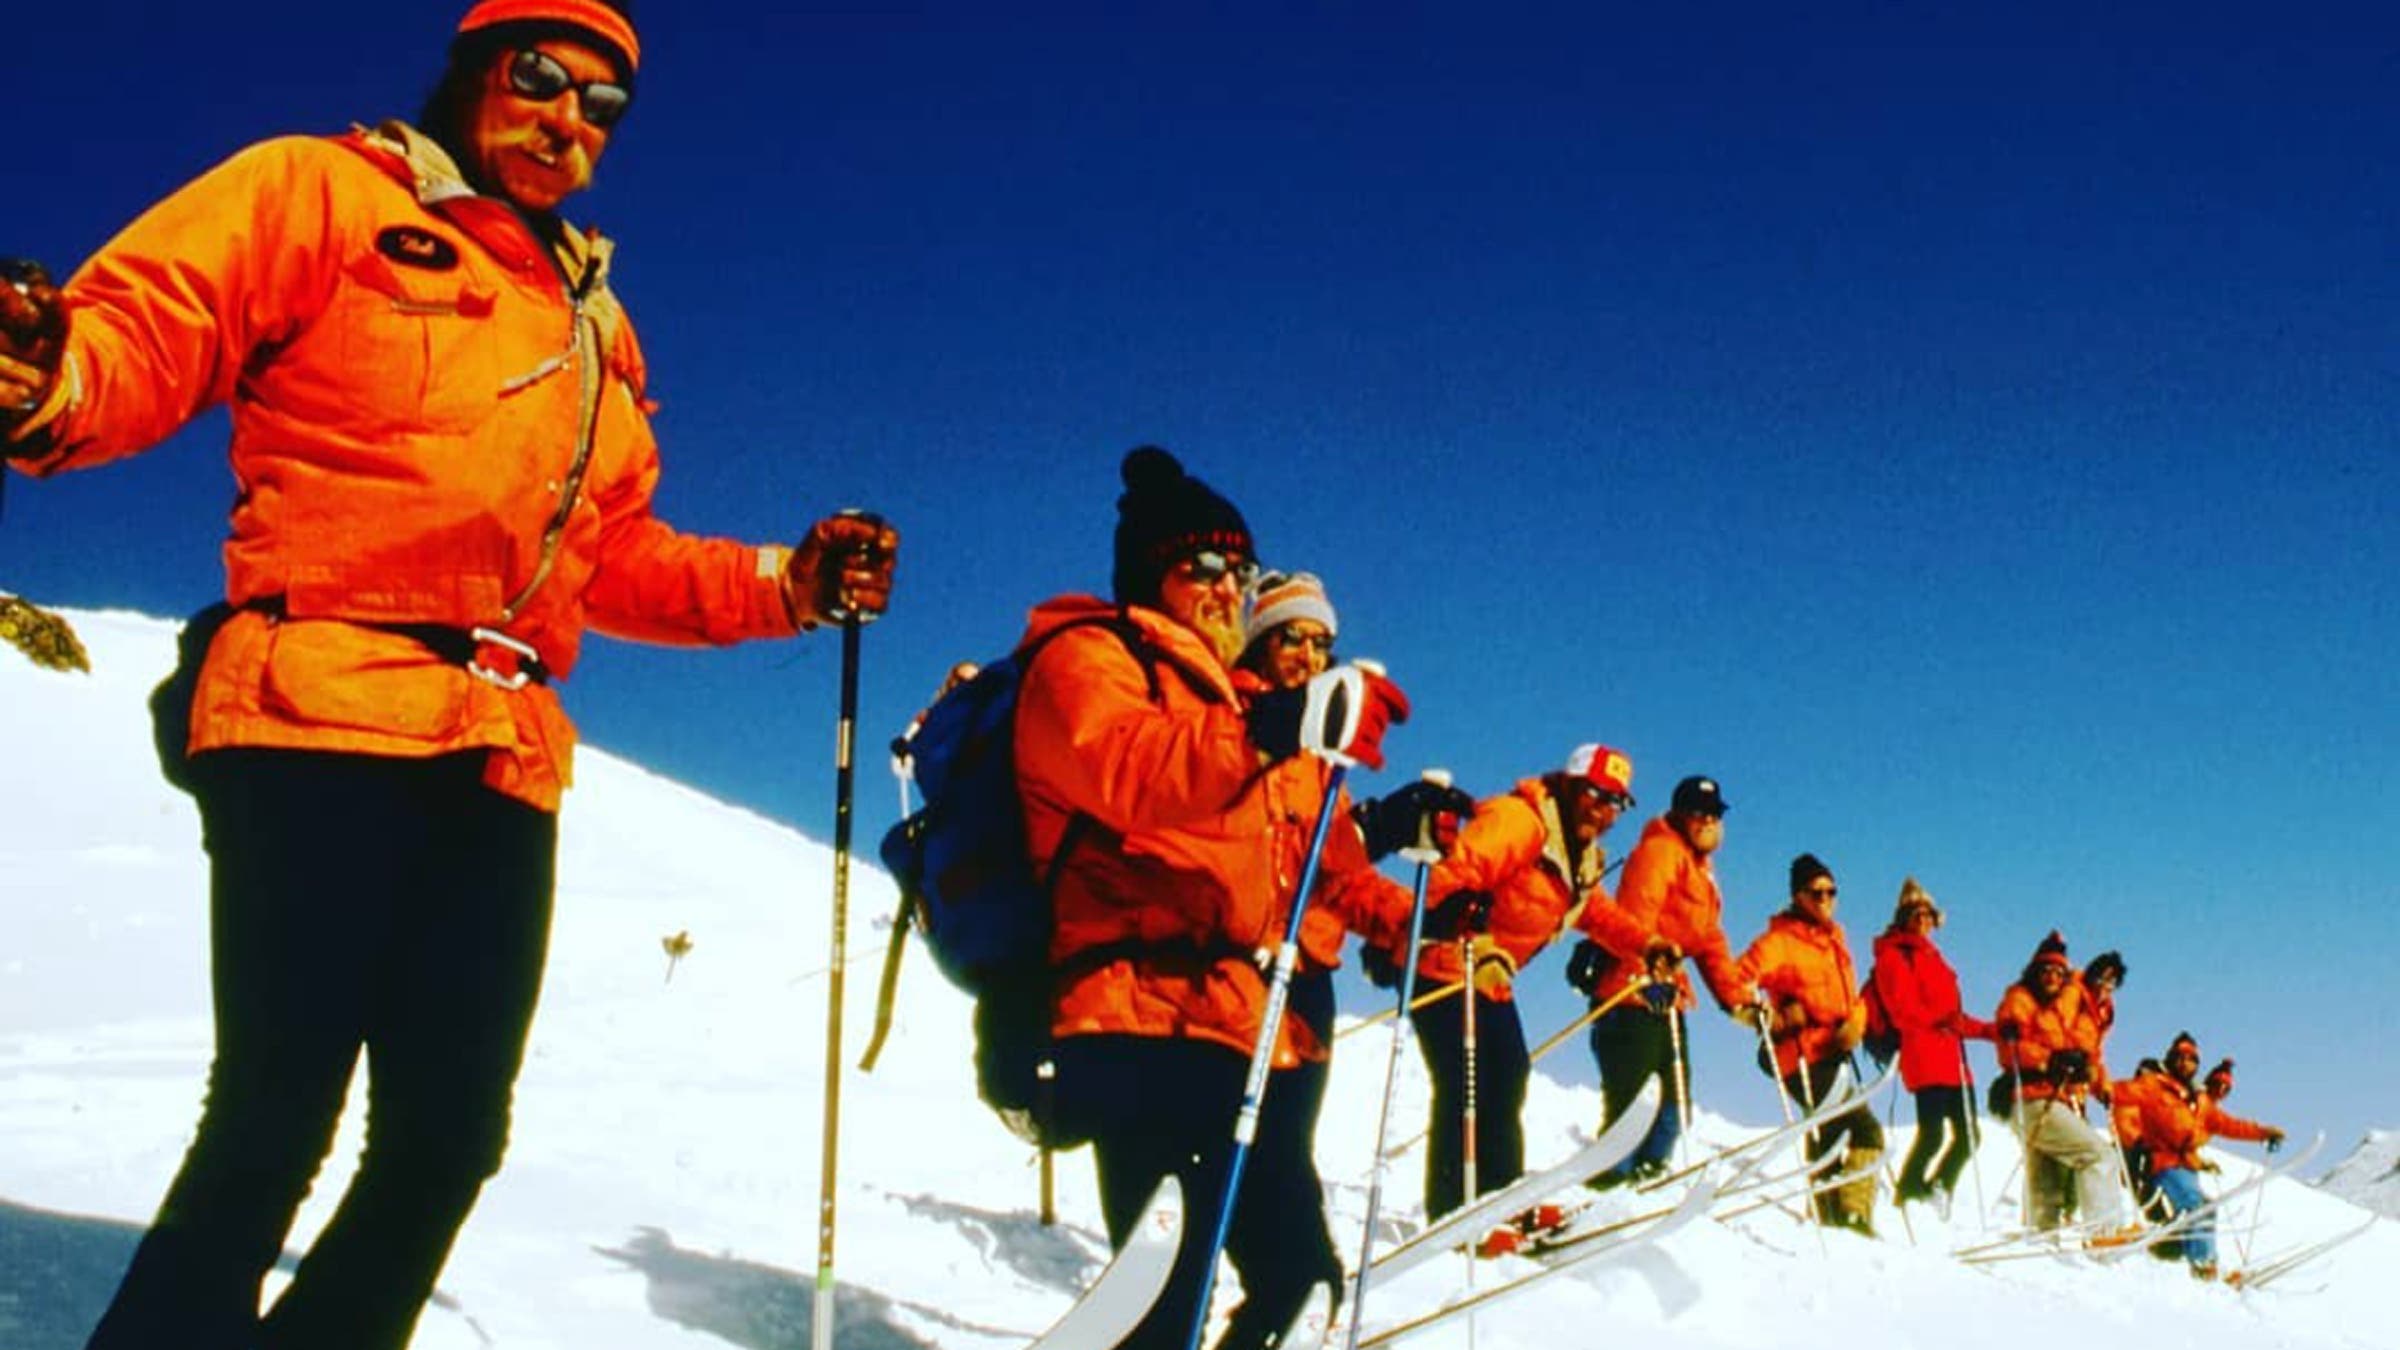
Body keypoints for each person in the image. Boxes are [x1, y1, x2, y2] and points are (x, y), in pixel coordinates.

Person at [4, 6, 901, 1348]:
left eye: (603, 107)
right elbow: (152, 325)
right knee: (275, 1111)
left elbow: (618, 554)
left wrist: (789, 582)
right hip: (324, 698)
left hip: (500, 751)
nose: (569, 120)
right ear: (475, 66)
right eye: (542, 79)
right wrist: (47, 377)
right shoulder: (324, 189)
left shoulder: (597, 320)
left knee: (449, 1139)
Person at [1016, 447, 1414, 1350]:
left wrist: (1410, 923)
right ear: (1149, 570)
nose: (1224, 587)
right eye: (1200, 567)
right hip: (1135, 1015)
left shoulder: (1240, 714)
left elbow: (1314, 865)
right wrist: (1277, 723)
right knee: (1165, 1300)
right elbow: (1128, 770)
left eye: (1237, 570)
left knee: (1303, 1283)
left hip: (1239, 1020)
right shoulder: (1088, 656)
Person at [1367, 742, 1633, 1224]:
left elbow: (1594, 911)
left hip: (1489, 976)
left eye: (1616, 801)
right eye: (1595, 794)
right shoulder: (1521, 821)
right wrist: (1450, 937)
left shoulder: (1579, 854)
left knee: (1508, 1076)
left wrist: (1648, 944)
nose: (1604, 810)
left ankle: (1499, 1200)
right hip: (1445, 964)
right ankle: (1453, 1212)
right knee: (1466, 1084)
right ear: (1571, 786)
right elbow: (1455, 875)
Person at [1571, 774, 1752, 1186]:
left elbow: (1709, 938)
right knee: (1633, 1108)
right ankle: (1608, 1186)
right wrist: (1644, 973)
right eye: (1698, 813)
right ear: (1680, 814)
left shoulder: (1700, 871)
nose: (1707, 820)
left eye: (1714, 813)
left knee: (1673, 1109)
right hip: (1631, 996)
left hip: (1666, 998)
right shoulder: (1659, 852)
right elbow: (1637, 916)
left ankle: (1646, 1182)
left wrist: (1736, 998)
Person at [1738, 854, 1885, 1234]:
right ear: (1798, 896)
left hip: (1834, 1051)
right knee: (1863, 1131)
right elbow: (1736, 982)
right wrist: (1772, 1018)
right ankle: (1848, 1217)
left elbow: (1850, 996)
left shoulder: (1836, 939)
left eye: (1830, 892)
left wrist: (1857, 1022)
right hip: (1801, 1055)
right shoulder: (1780, 941)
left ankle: (1834, 1218)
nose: (1824, 899)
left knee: (1835, 1131)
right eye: (1815, 892)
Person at [1870, 877, 1994, 1219]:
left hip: (1953, 1060)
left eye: (1927, 914)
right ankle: (1907, 1195)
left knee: (1969, 1136)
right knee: (1933, 1135)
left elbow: (1954, 1017)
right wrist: (1941, 1021)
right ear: (1903, 917)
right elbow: (1901, 1008)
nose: (1922, 920)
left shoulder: (1934, 958)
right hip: (1924, 1056)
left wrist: (1993, 1031)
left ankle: (1936, 1188)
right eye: (1915, 913)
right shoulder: (1893, 955)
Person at [1993, 931, 2129, 1237]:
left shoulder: (2060, 1009)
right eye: (2047, 971)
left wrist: (2093, 1079)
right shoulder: (2024, 999)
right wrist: (2049, 1061)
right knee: (2097, 1154)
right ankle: (2103, 1232)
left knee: (2046, 1175)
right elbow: (2014, 1044)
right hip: (2032, 1097)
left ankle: (2042, 1237)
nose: (2054, 977)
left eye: (2059, 972)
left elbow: (2083, 1053)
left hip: (2051, 1097)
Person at [2126, 1032, 2286, 1280]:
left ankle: (2191, 1257)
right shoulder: (2160, 1090)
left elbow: (2231, 1125)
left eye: (2191, 1059)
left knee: (2204, 1209)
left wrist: (2263, 1133)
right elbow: (2152, 1119)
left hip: (2186, 1167)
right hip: (2163, 1163)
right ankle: (2203, 1265)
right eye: (2179, 1057)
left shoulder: (2199, 1101)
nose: (2184, 1063)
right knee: (2197, 1206)